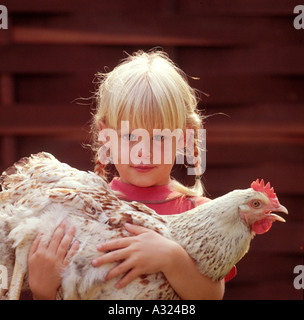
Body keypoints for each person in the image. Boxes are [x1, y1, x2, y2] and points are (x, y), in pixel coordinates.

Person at [28, 50, 234, 300]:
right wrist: (43, 291)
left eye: (159, 138)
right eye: (128, 137)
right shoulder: (83, 209)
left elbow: (212, 296)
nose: (142, 153)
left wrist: (172, 258)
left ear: (184, 137)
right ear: (106, 136)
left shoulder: (200, 214)